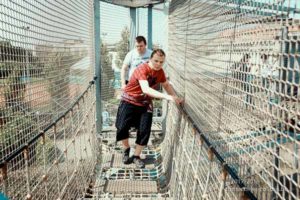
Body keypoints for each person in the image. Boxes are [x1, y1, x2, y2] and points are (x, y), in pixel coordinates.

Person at [115, 49, 183, 168]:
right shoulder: (142, 69)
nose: (158, 64)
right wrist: (168, 97)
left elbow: (166, 84)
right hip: (129, 100)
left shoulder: (160, 72)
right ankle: (126, 149)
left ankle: (136, 156)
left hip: (145, 103)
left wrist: (175, 96)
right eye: (156, 61)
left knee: (144, 130)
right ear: (150, 59)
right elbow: (146, 89)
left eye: (161, 62)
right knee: (121, 127)